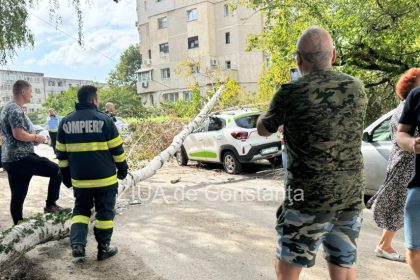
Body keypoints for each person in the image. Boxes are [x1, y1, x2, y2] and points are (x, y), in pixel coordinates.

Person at [256, 26, 367, 280]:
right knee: (344, 265)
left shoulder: (291, 93)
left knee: (287, 267)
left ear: (298, 58)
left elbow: (264, 129)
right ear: (334, 55)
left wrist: (271, 114)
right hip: (349, 195)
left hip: (307, 198)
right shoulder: (356, 88)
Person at [57, 85, 128, 261]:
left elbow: (61, 155)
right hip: (105, 181)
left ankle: (78, 245)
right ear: (94, 100)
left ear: (79, 100)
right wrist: (123, 169)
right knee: (105, 214)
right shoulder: (105, 120)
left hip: (80, 181)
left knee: (80, 211)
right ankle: (103, 249)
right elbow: (117, 151)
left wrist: (65, 177)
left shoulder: (65, 122)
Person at [367, 68, 420, 262]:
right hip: (404, 163)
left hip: (408, 163)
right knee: (399, 205)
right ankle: (384, 245)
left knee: (402, 205)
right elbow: (403, 137)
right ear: (410, 87)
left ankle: (384, 245)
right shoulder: (405, 107)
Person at [0, 80, 67, 225]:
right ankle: (51, 205)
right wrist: (36, 137)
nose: (31, 95)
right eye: (30, 92)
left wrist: (32, 138)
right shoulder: (16, 109)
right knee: (57, 170)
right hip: (21, 158)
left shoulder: (7, 108)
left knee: (18, 196)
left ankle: (18, 226)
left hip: (10, 159)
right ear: (23, 92)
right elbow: (19, 134)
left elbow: (19, 134)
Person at [396, 84, 420, 279]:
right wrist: (411, 143)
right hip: (419, 185)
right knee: (414, 249)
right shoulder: (417, 95)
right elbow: (401, 134)